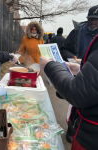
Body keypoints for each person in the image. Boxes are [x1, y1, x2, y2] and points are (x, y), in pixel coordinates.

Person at [40, 33, 98, 150]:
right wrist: (82, 69)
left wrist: (49, 66)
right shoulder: (78, 31)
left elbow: (77, 92)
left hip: (90, 138)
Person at [56, 5, 98, 143]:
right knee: (73, 103)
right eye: (90, 19)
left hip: (94, 75)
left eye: (95, 20)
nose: (93, 22)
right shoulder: (77, 32)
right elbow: (64, 49)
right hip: (77, 70)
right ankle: (71, 129)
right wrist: (72, 56)